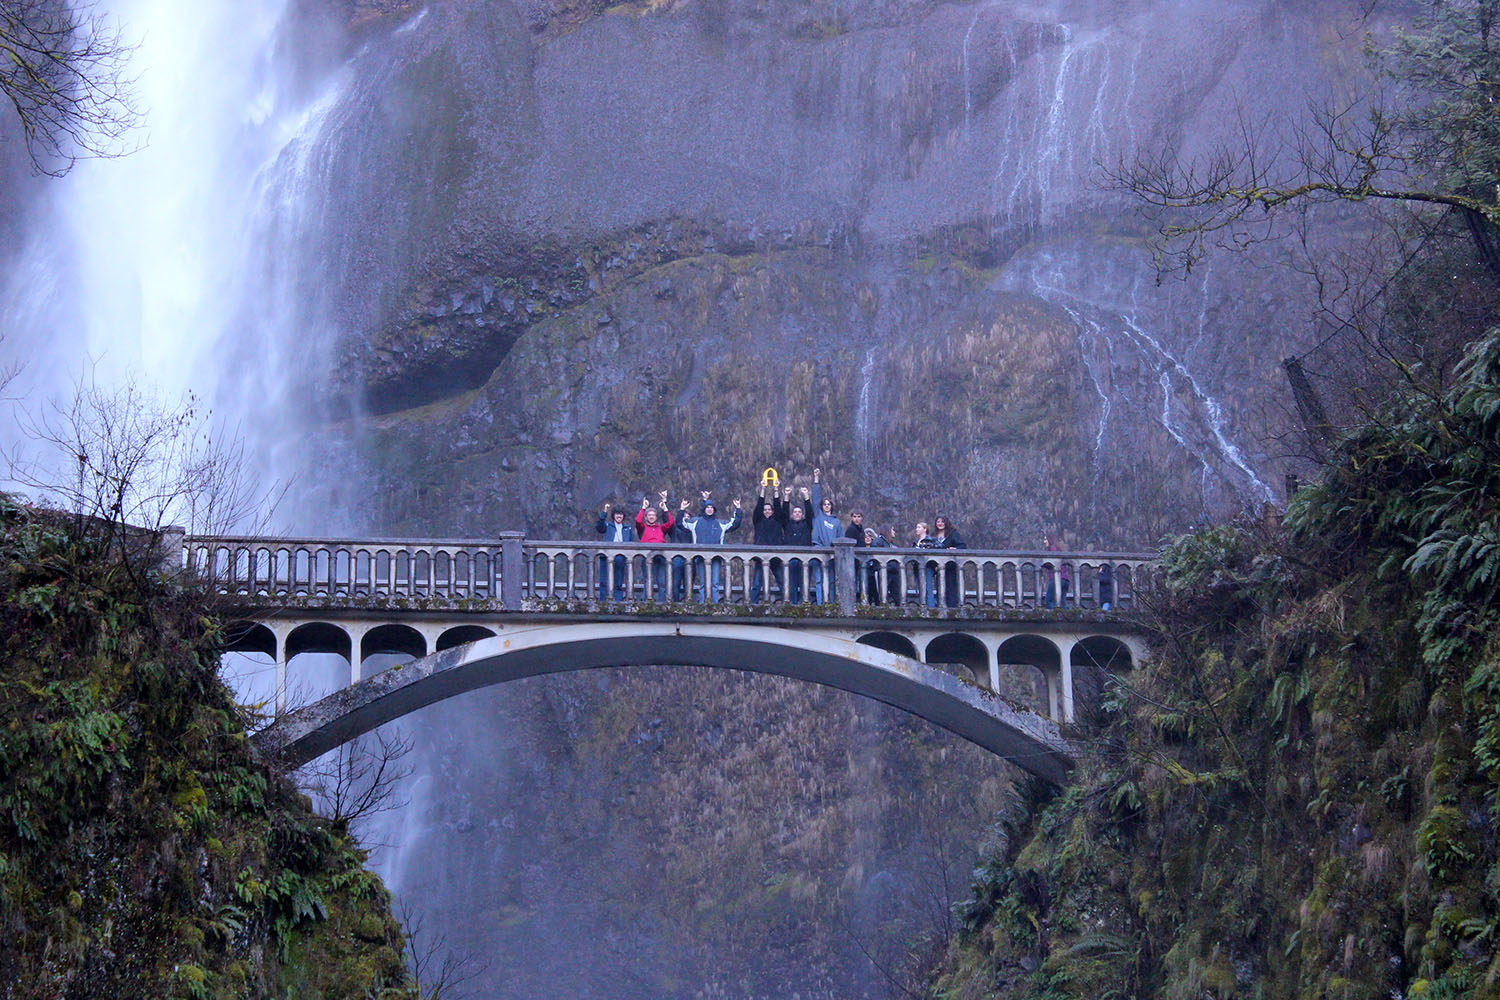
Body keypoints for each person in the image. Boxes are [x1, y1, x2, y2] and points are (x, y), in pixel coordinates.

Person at [678, 493, 743, 601]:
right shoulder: (695, 522)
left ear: (714, 510)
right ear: (704, 509)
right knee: (703, 583)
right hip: (700, 557)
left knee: (715, 583)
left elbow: (735, 523)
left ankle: (715, 604)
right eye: (707, 507)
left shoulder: (720, 523)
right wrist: (681, 509)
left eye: (711, 507)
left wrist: (738, 508)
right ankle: (703, 603)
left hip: (716, 557)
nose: (709, 509)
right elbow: (680, 524)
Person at [751, 478, 787, 602]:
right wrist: (763, 489)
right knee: (756, 583)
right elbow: (759, 505)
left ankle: (788, 603)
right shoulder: (758, 520)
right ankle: (753, 603)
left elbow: (778, 506)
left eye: (769, 510)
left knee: (782, 582)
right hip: (760, 555)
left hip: (776, 555)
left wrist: (776, 489)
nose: (767, 511)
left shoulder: (777, 520)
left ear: (772, 511)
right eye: (765, 510)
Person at [634, 493, 674, 600]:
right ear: (646, 517)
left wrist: (665, 508)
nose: (651, 516)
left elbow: (671, 522)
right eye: (649, 515)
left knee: (662, 581)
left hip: (661, 556)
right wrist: (643, 508)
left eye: (653, 515)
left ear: (656, 517)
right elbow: (638, 521)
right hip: (647, 556)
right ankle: (645, 601)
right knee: (648, 580)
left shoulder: (660, 528)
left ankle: (662, 602)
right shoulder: (642, 528)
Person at [810, 468, 841, 603]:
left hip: (832, 553)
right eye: (825, 504)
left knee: (831, 580)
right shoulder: (818, 516)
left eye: (829, 504)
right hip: (818, 549)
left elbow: (841, 538)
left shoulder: (836, 521)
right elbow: (815, 499)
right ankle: (820, 603)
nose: (826, 506)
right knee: (819, 579)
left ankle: (832, 603)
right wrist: (816, 480)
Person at [594, 503, 634, 600]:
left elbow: (632, 543)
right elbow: (599, 527)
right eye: (617, 514)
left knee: (618, 581)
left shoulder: (627, 528)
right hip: (606, 556)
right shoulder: (608, 526)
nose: (619, 516)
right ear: (613, 516)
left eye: (621, 514)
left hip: (621, 557)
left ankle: (618, 600)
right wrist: (604, 512)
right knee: (603, 581)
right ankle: (603, 601)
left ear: (623, 516)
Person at [783, 486, 813, 602]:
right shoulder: (787, 524)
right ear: (792, 515)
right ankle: (794, 604)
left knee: (805, 584)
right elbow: (784, 512)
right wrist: (786, 496)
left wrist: (806, 496)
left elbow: (810, 512)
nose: (797, 514)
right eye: (795, 512)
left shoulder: (807, 524)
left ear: (802, 514)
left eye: (799, 512)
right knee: (792, 584)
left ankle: (804, 603)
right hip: (791, 559)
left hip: (805, 558)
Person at [932, 515, 966, 607]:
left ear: (946, 523)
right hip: (938, 566)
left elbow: (962, 545)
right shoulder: (933, 535)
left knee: (950, 586)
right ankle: (940, 605)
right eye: (938, 522)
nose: (940, 524)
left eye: (942, 522)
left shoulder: (953, 533)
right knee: (939, 586)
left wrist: (955, 548)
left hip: (950, 566)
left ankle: (952, 607)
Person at [913, 521, 940, 607]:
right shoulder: (915, 542)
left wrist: (929, 547)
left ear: (925, 529)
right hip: (917, 567)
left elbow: (940, 546)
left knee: (928, 587)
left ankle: (931, 607)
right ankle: (922, 606)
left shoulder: (931, 540)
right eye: (916, 527)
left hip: (928, 566)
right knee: (920, 588)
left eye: (919, 527)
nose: (916, 529)